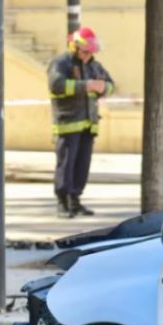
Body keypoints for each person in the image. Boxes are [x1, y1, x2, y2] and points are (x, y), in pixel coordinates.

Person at [48, 27, 115, 219]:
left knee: (82, 165)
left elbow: (110, 84)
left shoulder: (94, 66)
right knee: (66, 165)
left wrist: (104, 88)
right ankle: (62, 202)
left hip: (88, 124)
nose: (88, 56)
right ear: (75, 47)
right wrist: (85, 85)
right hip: (68, 123)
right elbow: (56, 85)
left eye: (91, 52)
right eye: (85, 52)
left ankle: (75, 201)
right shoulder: (61, 64)